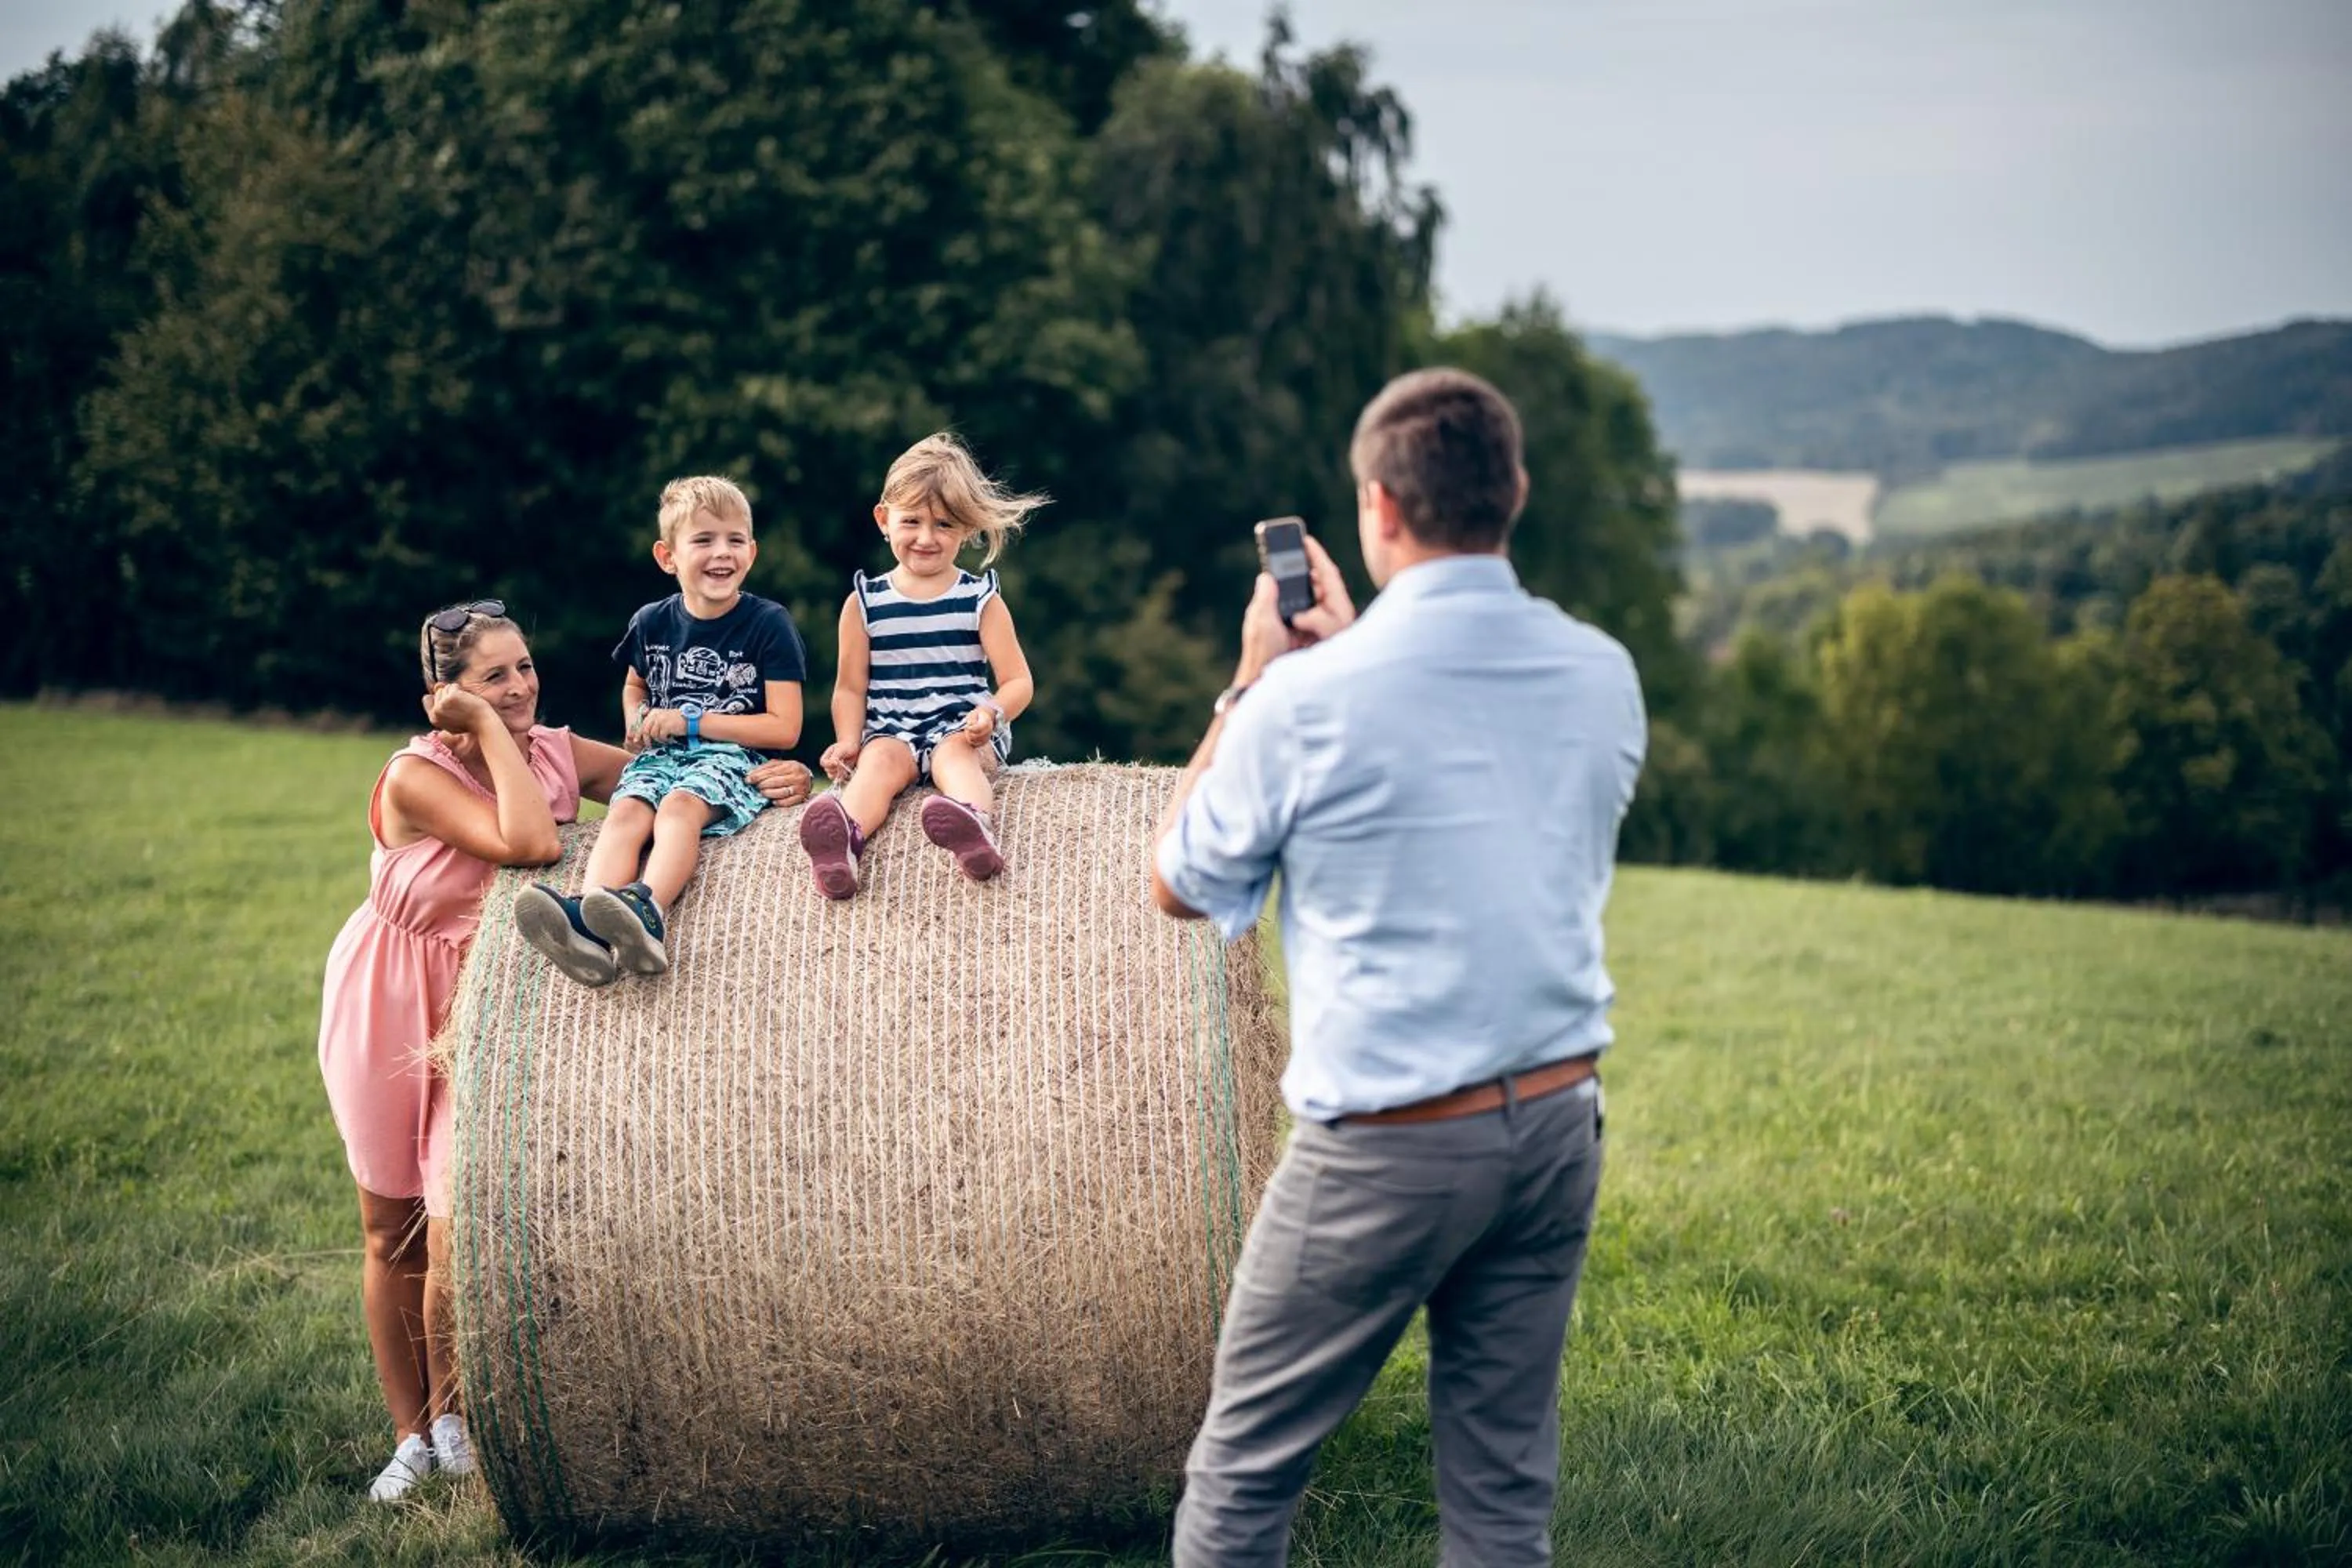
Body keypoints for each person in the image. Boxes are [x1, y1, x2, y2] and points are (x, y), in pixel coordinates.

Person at [1149, 368, 1648, 1566]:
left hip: (1387, 1144)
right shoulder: (1603, 671)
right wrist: (1337, 664)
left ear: (1376, 508)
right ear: (1513, 492)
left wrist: (1255, 677)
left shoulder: (1304, 702)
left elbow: (1180, 877)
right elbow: (1451, 748)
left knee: (1241, 1479)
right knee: (1500, 1496)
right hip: (1556, 1127)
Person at [320, 601, 811, 1501]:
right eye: (494, 676)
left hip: (491, 1007)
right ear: (444, 697)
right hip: (390, 996)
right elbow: (530, 840)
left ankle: (456, 1416)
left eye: (525, 666)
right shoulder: (411, 775)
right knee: (392, 1229)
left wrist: (773, 780)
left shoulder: (555, 747)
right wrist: (480, 732)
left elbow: (674, 783)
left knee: (456, 1217)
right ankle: (410, 1437)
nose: (521, 686)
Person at [514, 476, 806, 982]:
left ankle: (649, 909)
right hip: (662, 757)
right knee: (625, 812)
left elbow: (786, 728)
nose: (723, 553)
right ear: (667, 557)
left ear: (752, 552)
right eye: (704, 540)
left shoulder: (768, 623)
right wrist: (636, 718)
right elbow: (634, 686)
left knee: (677, 809)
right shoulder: (651, 621)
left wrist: (690, 721)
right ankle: (587, 919)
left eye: (735, 540)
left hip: (733, 759)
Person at [799, 432, 1039, 898]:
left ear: (967, 529)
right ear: (883, 520)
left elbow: (1017, 680)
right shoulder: (864, 603)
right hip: (892, 728)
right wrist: (849, 739)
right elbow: (850, 687)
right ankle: (842, 842)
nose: (926, 538)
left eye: (945, 525)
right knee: (879, 763)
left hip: (962, 727)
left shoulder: (979, 599)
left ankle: (973, 826)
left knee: (954, 756)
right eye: (912, 522)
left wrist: (990, 713)